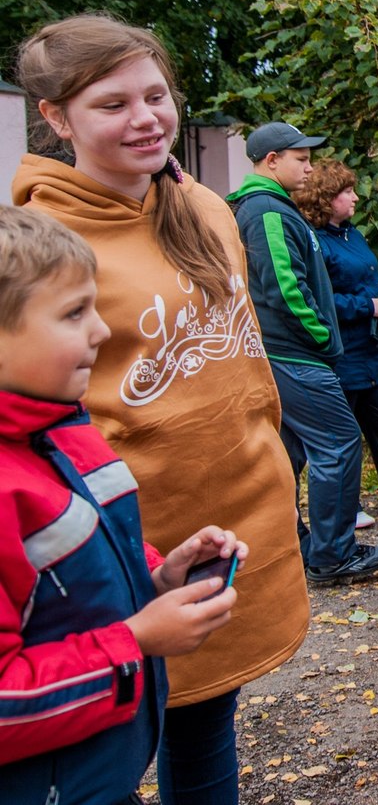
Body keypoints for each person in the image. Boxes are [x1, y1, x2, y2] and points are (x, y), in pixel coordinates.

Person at [13, 13, 308, 805]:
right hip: (120, 556)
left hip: (229, 531)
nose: (146, 118)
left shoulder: (208, 210)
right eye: (113, 104)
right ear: (55, 117)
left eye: (157, 95)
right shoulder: (40, 243)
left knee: (206, 729)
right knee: (92, 761)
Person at [0, 205, 246, 805]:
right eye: (73, 313)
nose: (102, 331)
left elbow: (68, 578)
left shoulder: (65, 430)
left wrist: (157, 578)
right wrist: (135, 641)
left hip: (97, 774)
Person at [228, 123, 378, 585]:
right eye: (300, 159)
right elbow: (284, 287)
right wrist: (322, 338)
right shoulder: (267, 212)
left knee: (290, 452)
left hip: (282, 352)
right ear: (271, 160)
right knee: (339, 443)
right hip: (295, 353)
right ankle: (332, 556)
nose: (308, 167)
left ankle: (296, 543)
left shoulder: (268, 207)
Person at [293, 159, 378, 522]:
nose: (356, 198)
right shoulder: (315, 242)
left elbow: (365, 280)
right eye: (347, 192)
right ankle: (348, 506)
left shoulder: (351, 234)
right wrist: (365, 305)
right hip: (341, 352)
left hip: (369, 349)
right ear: (326, 198)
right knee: (346, 434)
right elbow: (317, 297)